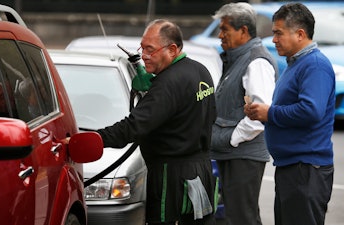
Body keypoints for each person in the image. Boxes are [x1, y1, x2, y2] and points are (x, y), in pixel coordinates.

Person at [97, 19, 217, 225]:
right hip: (201, 171)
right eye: (142, 48)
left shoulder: (168, 83)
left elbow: (133, 126)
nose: (143, 56)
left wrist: (94, 139)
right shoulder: (200, 71)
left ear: (172, 49)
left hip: (172, 178)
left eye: (150, 50)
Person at [244, 3, 335, 225]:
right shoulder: (297, 63)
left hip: (305, 171)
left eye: (278, 33)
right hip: (293, 168)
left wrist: (269, 113)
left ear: (300, 34)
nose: (273, 39)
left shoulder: (314, 65)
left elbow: (311, 111)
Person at [209, 3, 278, 225]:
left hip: (243, 154)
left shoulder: (256, 61)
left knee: (242, 217)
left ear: (244, 31)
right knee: (234, 215)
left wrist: (232, 138)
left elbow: (260, 113)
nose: (220, 36)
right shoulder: (238, 57)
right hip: (234, 153)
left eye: (225, 30)